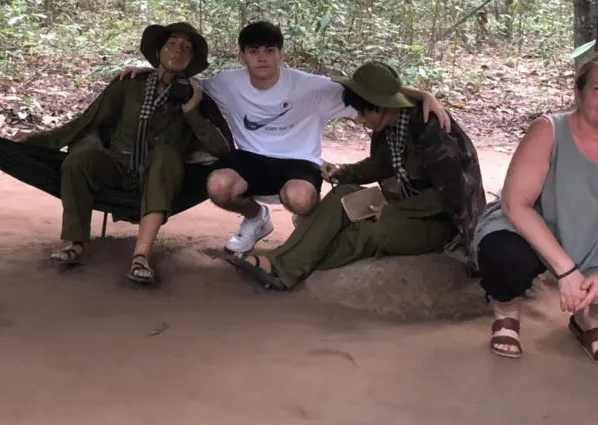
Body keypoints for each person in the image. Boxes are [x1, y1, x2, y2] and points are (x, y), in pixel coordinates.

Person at [471, 53, 598, 366]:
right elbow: (516, 204)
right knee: (503, 254)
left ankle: (590, 318)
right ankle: (507, 312)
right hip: (541, 229)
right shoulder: (549, 130)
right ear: (579, 92)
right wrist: (566, 271)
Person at [187, 21, 449, 253]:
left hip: (298, 160)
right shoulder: (227, 83)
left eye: (270, 50)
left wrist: (423, 95)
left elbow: (371, 91)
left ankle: (307, 221)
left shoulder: (310, 86)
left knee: (300, 199)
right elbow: (190, 84)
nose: (262, 58)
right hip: (249, 157)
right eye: (253, 51)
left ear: (281, 55)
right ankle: (257, 218)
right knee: (218, 186)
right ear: (242, 56)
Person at [223, 60, 486, 289]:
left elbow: (451, 195)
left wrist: (393, 212)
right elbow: (380, 165)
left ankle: (283, 269)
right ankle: (285, 260)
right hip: (404, 203)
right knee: (343, 196)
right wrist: (344, 173)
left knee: (367, 232)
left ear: (381, 106)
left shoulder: (432, 131)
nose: (359, 120)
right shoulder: (391, 125)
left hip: (437, 221)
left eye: (362, 113)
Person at [21, 22, 229, 284]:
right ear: (158, 51)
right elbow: (89, 120)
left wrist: (191, 113)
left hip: (158, 175)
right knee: (80, 160)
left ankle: (141, 256)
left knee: (165, 155)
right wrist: (38, 143)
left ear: (191, 60)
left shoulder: (196, 97)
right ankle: (75, 242)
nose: (178, 50)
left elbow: (221, 148)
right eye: (171, 44)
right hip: (117, 164)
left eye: (186, 48)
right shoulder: (129, 84)